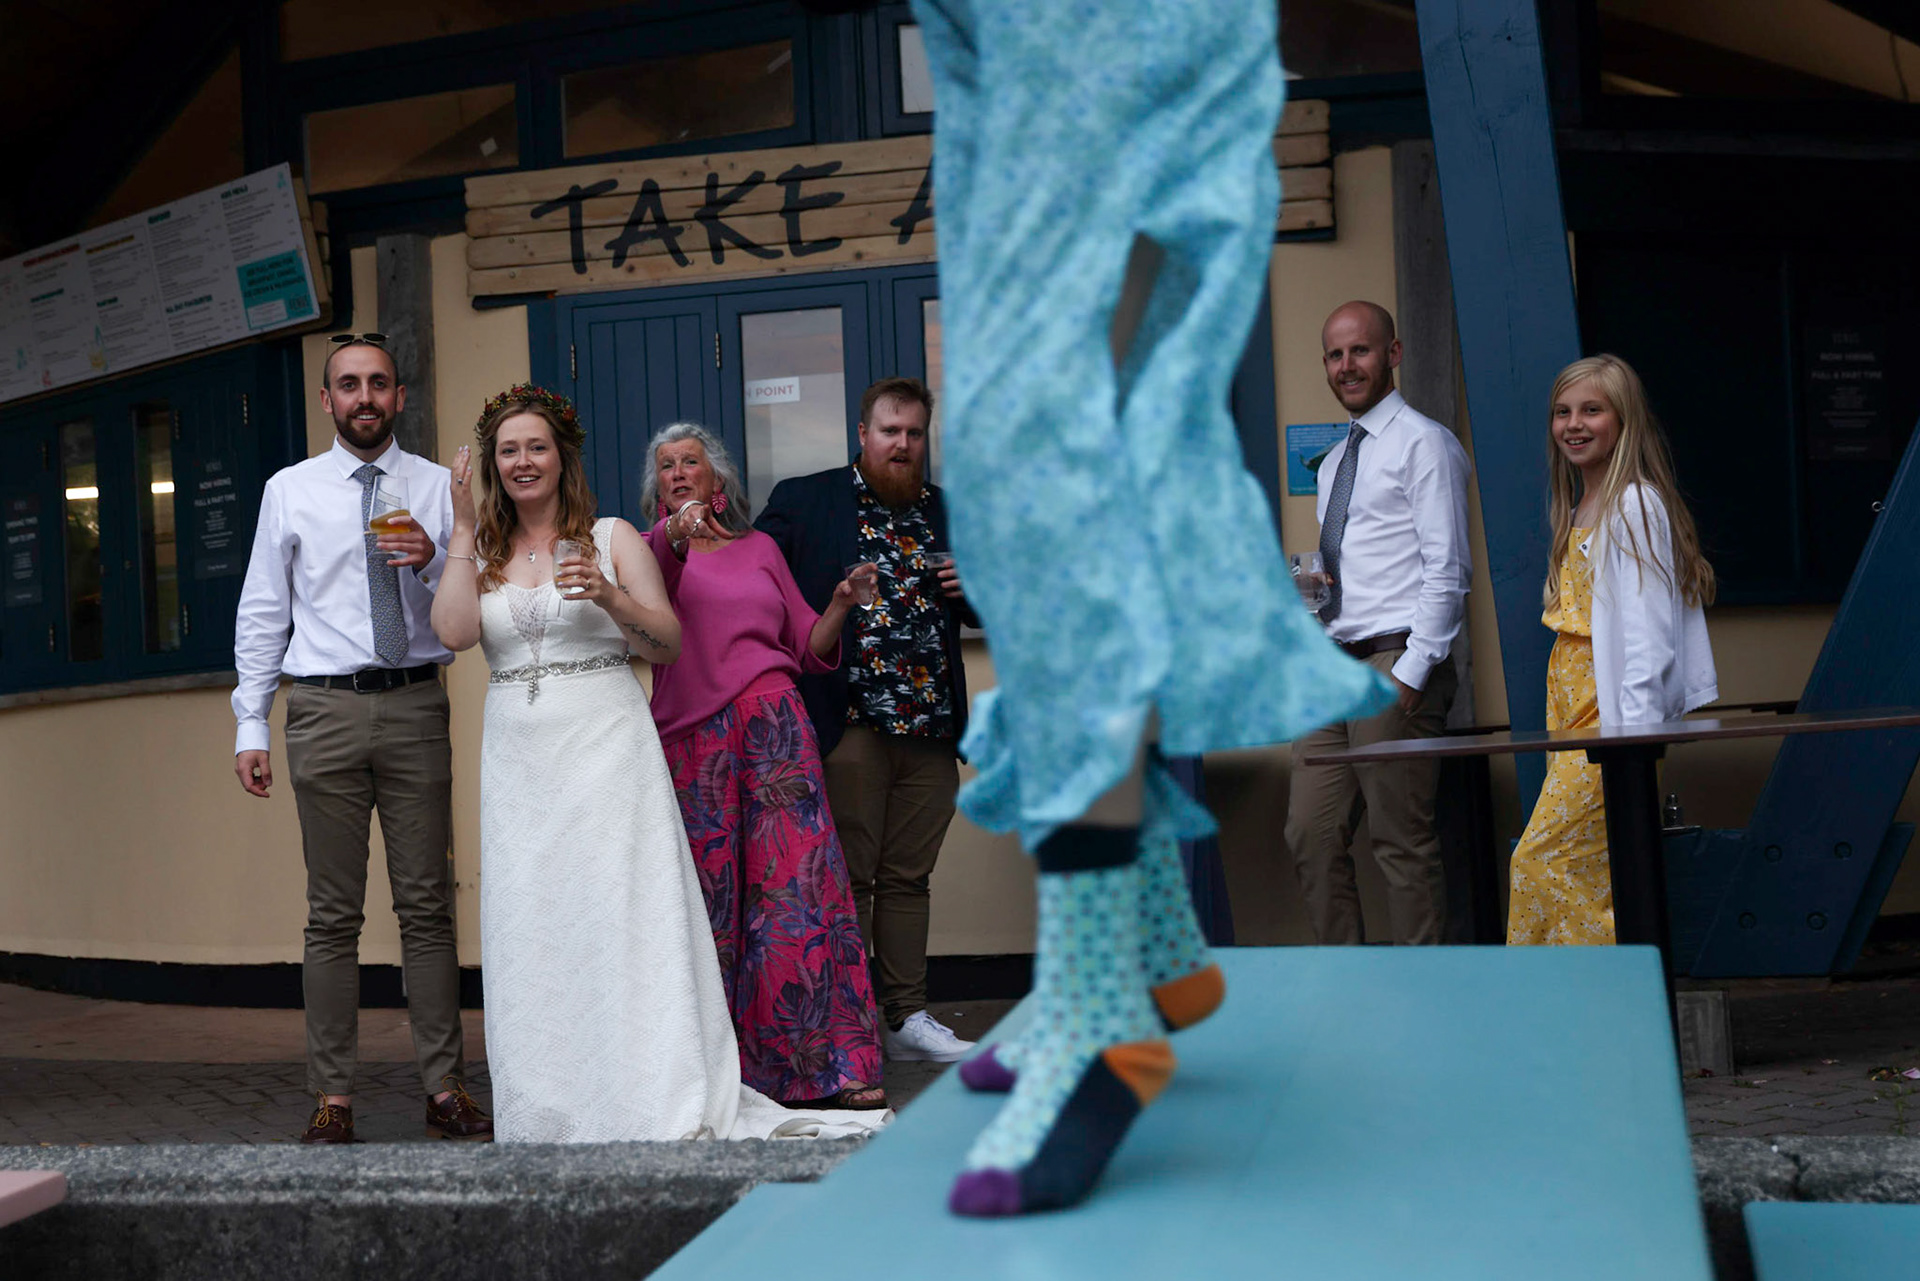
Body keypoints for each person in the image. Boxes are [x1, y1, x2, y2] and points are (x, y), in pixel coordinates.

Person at [909, 0, 1391, 1217]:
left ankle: (1099, 1008)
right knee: (1056, 494)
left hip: (1099, 44)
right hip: (1011, 70)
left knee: (1055, 481)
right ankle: (1154, 949)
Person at [428, 388, 884, 1141]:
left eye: (536, 446)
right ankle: (551, 1103)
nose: (522, 461)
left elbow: (667, 641)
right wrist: (462, 529)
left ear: (563, 457)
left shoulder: (613, 537)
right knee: (535, 924)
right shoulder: (482, 550)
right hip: (522, 762)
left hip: (618, 745)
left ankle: (658, 1085)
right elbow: (451, 633)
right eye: (508, 450)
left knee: (631, 914)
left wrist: (609, 596)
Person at [231, 334, 490, 1144]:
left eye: (378, 382)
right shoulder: (289, 490)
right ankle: (332, 1097)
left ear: (399, 395)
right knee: (331, 913)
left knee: (427, 906)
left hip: (414, 705)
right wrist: (250, 721)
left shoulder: (439, 487)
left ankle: (444, 1088)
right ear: (327, 400)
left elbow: (475, 601)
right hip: (323, 710)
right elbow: (263, 610)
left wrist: (432, 559)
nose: (365, 396)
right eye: (349, 384)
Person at [641, 422, 889, 1110]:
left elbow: (807, 644)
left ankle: (832, 1065)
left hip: (776, 727)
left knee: (801, 895)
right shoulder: (649, 551)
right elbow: (653, 583)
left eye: (691, 461)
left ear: (718, 479)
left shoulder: (761, 549)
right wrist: (676, 533)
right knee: (711, 907)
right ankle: (723, 1073)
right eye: (666, 465)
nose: (679, 472)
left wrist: (842, 601)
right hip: (694, 743)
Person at [756, 377, 980, 1065]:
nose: (902, 445)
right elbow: (750, 577)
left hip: (931, 729)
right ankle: (849, 1023)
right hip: (848, 725)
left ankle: (906, 1018)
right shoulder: (809, 499)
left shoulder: (949, 511)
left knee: (909, 877)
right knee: (849, 877)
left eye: (914, 433)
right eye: (889, 431)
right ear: (862, 434)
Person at [1507, 356, 1717, 945]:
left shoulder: (1635, 503)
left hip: (1612, 718)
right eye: (1562, 411)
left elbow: (1650, 635)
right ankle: (1582, 991)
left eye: (1592, 410)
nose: (1574, 424)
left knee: (1539, 860)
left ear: (1623, 420)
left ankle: (1609, 984)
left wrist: (1636, 738)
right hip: (1571, 713)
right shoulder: (1580, 504)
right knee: (1584, 870)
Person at [1284, 300, 1473, 947]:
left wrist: (1413, 673)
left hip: (1395, 662)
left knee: (1401, 841)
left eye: (1360, 350)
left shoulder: (1425, 443)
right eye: (1334, 355)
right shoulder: (1335, 461)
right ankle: (1351, 984)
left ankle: (1423, 991)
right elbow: (1356, 571)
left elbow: (1449, 569)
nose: (1346, 365)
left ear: (1393, 354)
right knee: (1309, 834)